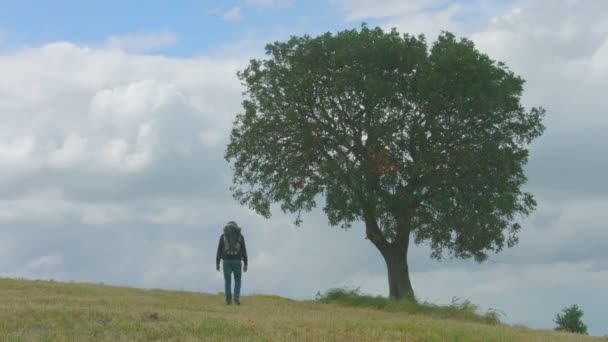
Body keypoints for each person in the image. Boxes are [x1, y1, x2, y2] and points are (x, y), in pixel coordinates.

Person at [216, 221, 248, 305]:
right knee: (237, 281)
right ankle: (236, 297)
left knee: (227, 282)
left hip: (226, 261)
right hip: (237, 261)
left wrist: (217, 263)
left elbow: (219, 250)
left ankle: (228, 301)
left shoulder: (223, 236)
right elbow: (244, 250)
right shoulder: (240, 236)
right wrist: (245, 263)